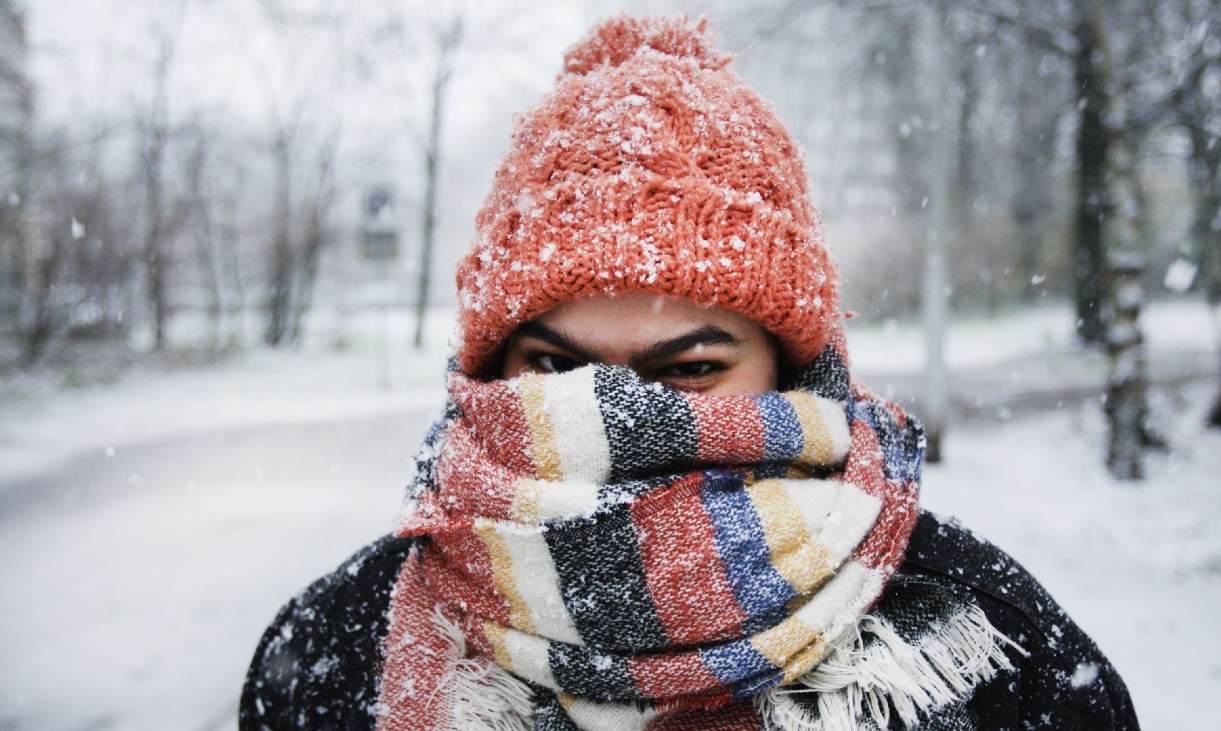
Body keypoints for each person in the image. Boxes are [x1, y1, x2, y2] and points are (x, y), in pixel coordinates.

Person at [240, 16, 1139, 731]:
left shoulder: (989, 652)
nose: (612, 413)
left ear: (794, 372)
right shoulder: (334, 654)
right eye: (554, 365)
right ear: (490, 371)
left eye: (693, 368)